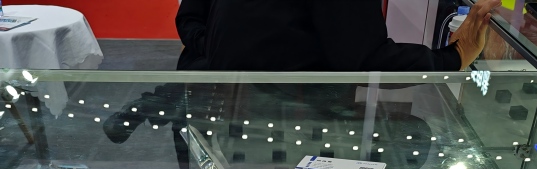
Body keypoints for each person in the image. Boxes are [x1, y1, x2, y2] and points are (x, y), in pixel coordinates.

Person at [176, 0, 500, 72]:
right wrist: (454, 57)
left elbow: (192, 20)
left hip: (223, 102)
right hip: (283, 113)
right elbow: (365, 59)